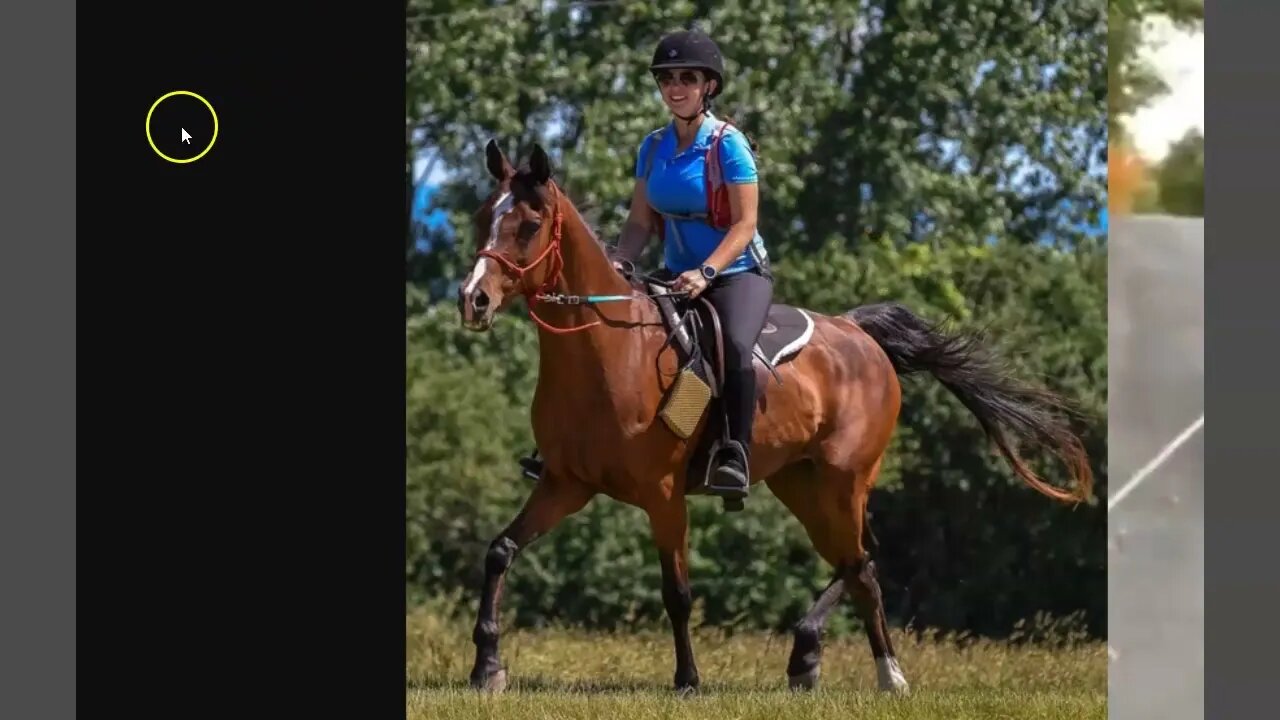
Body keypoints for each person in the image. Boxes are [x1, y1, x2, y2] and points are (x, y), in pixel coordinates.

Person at [520, 28, 773, 503]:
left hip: (736, 274)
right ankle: (563, 445)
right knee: (611, 332)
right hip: (676, 275)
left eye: (687, 78)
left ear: (708, 87)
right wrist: (620, 257)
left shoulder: (728, 145)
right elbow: (640, 221)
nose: (675, 87)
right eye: (667, 79)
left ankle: (734, 452)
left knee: (735, 347)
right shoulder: (653, 147)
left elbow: (744, 226)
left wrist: (708, 273)